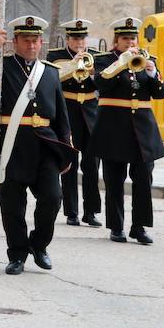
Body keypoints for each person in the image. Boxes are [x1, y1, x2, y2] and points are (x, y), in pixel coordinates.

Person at [0, 17, 74, 275]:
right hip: (12, 145)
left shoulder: (49, 71)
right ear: (14, 42)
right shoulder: (1, 68)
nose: (31, 45)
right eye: (25, 40)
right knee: (13, 205)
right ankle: (17, 254)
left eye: (35, 40)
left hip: (46, 146)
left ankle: (39, 245)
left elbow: (60, 112)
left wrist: (66, 143)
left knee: (52, 198)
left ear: (41, 42)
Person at [91, 17, 164, 245]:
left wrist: (153, 73)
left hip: (143, 130)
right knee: (114, 179)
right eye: (125, 38)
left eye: (133, 38)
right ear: (116, 41)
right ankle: (116, 227)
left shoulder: (147, 59)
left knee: (144, 178)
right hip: (113, 127)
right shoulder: (104, 61)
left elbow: (162, 93)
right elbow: (100, 84)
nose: (130, 42)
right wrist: (121, 64)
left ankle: (140, 226)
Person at [46, 19, 102, 227]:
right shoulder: (56, 56)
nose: (79, 42)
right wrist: (72, 65)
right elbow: (53, 79)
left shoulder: (95, 56)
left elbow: (101, 83)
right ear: (68, 39)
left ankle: (91, 212)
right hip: (68, 112)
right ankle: (72, 212)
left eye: (82, 38)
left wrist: (92, 69)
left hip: (90, 114)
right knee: (69, 165)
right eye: (75, 38)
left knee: (92, 166)